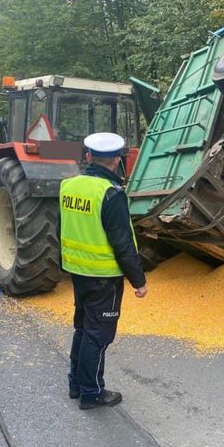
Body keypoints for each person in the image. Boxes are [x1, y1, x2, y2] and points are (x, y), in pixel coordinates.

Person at [58, 132, 148, 410]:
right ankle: (91, 392)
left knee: (83, 328)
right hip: (104, 278)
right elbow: (122, 243)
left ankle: (76, 383)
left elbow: (59, 227)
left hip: (77, 270)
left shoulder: (68, 186)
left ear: (88, 157)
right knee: (98, 335)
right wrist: (139, 280)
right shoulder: (111, 194)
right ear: (118, 161)